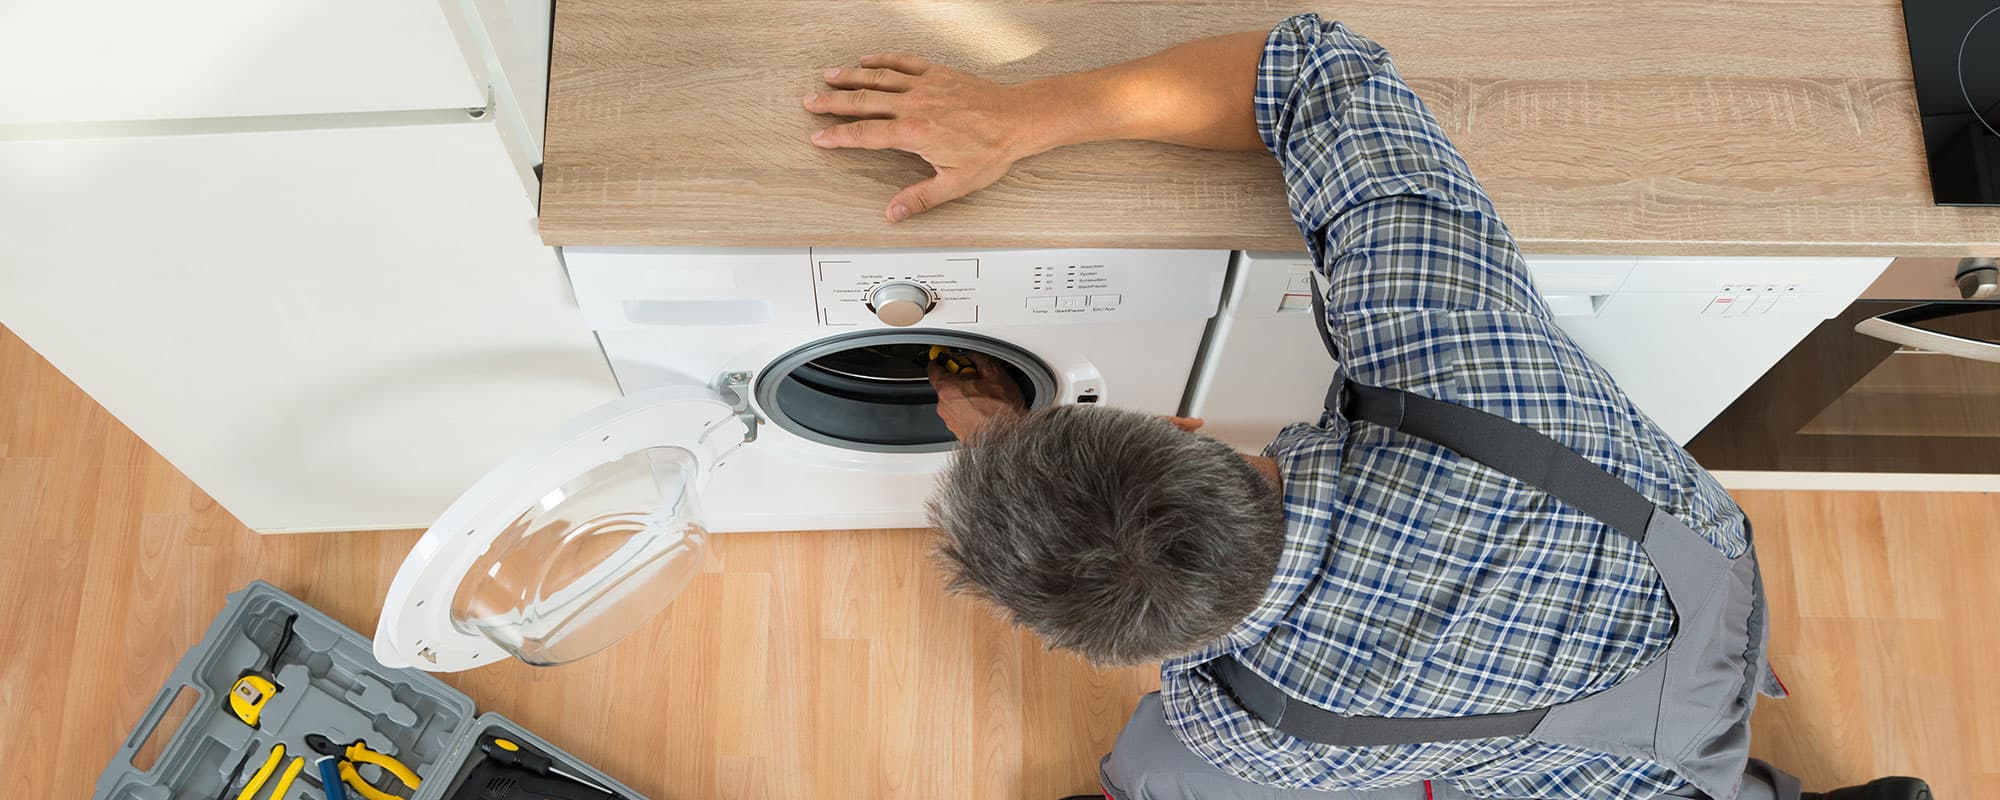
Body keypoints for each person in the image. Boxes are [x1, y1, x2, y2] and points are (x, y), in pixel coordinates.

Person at [803, 14, 1931, 800]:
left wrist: (1014, 471)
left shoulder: (1241, 726)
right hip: (1679, 605)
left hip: (1622, 700)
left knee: (1155, 772)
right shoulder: (1463, 377)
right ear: (1188, 434)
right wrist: (1020, 117)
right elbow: (1311, 68)